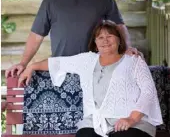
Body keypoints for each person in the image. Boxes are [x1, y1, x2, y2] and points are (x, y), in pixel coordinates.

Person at [6, 0, 141, 133]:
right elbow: (37, 34)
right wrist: (23, 63)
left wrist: (127, 48)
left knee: (97, 123)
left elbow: (118, 25)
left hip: (96, 71)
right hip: (64, 69)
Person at [18, 20, 162, 137]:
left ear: (119, 40)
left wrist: (132, 118)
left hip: (133, 122)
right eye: (100, 37)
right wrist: (31, 66)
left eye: (110, 36)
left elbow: (148, 92)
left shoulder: (134, 60)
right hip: (95, 123)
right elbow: (58, 62)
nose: (105, 40)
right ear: (95, 43)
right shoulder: (86, 60)